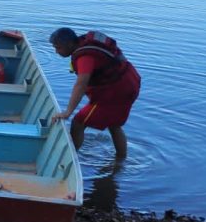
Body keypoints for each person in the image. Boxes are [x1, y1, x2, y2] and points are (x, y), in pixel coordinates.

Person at [49, 28, 141, 159]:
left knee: (78, 122)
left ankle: (70, 159)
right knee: (114, 124)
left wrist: (68, 111)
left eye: (58, 48)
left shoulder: (85, 57)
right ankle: (120, 161)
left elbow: (81, 84)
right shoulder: (84, 43)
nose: (56, 51)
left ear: (69, 44)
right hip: (130, 81)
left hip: (116, 92)